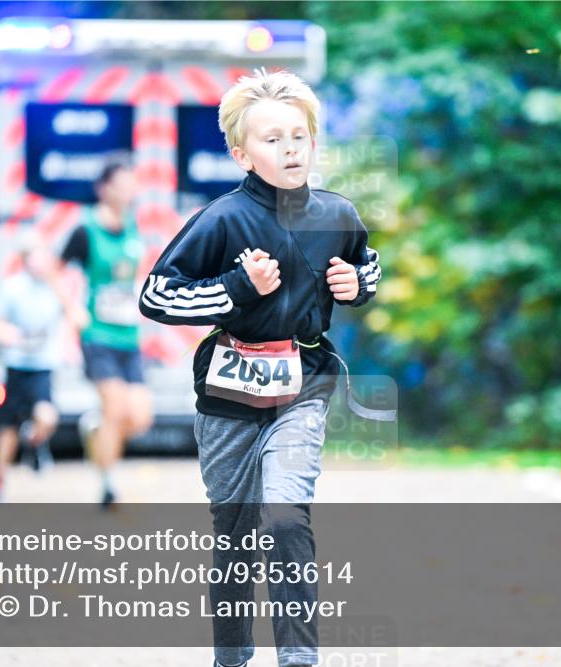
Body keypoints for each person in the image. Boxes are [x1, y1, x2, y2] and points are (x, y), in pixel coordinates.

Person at [139, 68, 381, 667]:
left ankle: (299, 659)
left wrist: (355, 286)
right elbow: (156, 295)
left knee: (285, 517)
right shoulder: (222, 220)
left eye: (298, 136)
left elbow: (367, 269)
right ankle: (233, 658)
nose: (289, 148)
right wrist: (236, 287)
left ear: (313, 142)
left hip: (302, 386)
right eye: (272, 139)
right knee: (236, 538)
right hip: (228, 396)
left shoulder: (337, 214)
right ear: (242, 153)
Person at [58, 161, 154, 508]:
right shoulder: (85, 229)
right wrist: (72, 307)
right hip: (97, 335)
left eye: (133, 183)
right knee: (114, 407)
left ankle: (95, 432)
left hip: (129, 336)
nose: (129, 190)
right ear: (104, 188)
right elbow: (56, 270)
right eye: (122, 184)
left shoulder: (133, 227)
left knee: (139, 418)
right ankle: (108, 483)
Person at [0, 231, 63, 502]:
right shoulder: (12, 288)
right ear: (25, 260)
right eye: (34, 256)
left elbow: (78, 316)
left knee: (47, 416)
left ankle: (34, 442)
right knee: (6, 428)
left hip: (43, 366)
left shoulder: (56, 288)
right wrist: (9, 334)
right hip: (16, 366)